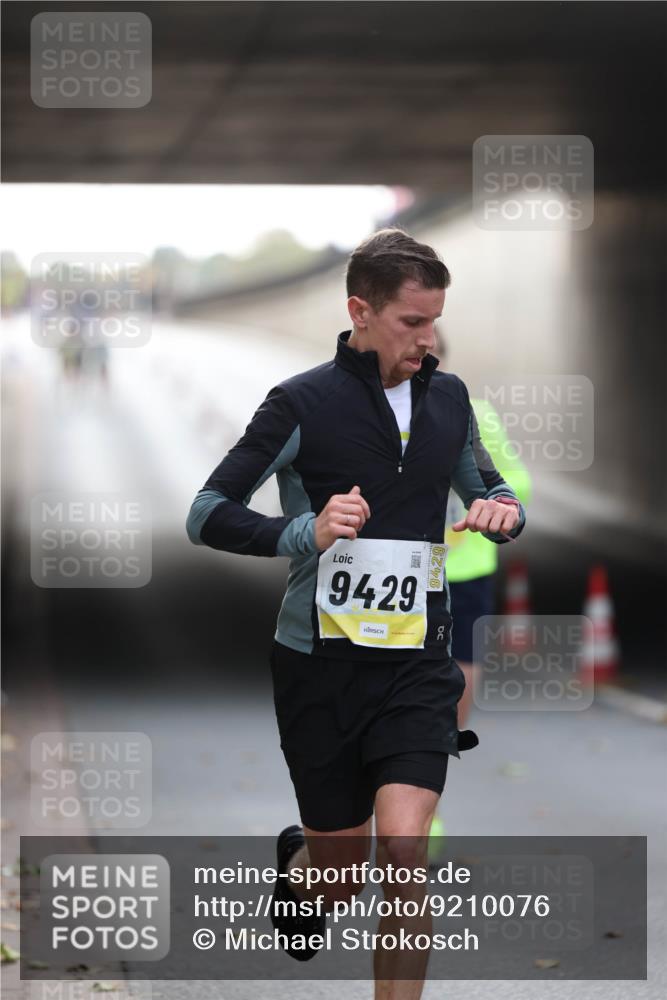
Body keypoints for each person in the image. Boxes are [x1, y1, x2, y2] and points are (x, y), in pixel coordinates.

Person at [186, 228, 525, 998]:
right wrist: (302, 531)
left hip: (417, 663)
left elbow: (488, 486)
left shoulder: (448, 399)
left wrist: (501, 512)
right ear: (359, 312)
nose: (427, 338)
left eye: (434, 320)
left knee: (404, 853)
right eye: (411, 321)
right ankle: (302, 870)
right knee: (341, 874)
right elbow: (206, 512)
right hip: (320, 667)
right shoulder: (301, 403)